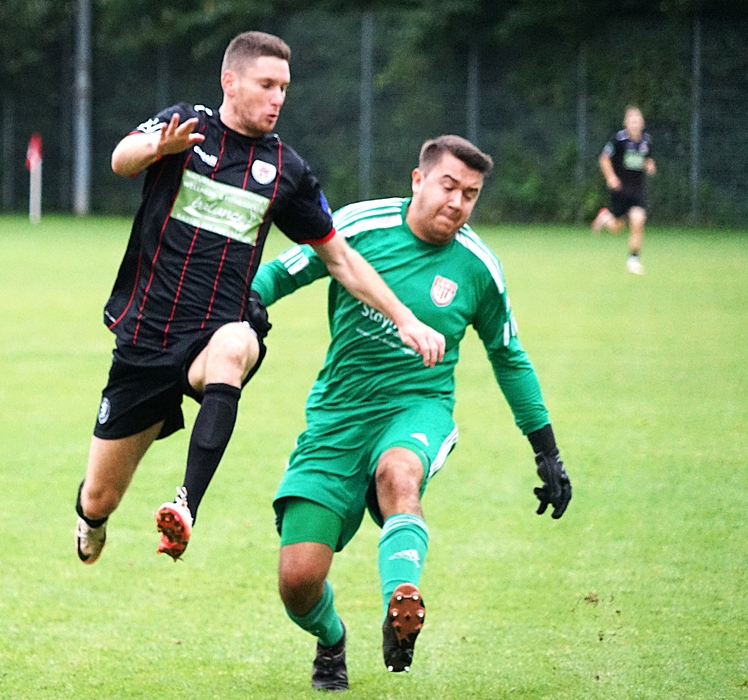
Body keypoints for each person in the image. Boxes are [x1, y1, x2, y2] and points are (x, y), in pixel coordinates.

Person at [74, 31, 445, 566]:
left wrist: (405, 318)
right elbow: (120, 159)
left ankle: (186, 505)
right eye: (266, 85)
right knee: (100, 496)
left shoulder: (286, 171)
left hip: (213, 335)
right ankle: (91, 521)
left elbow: (339, 258)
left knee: (235, 344)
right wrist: (159, 147)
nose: (278, 98)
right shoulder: (187, 126)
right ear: (230, 81)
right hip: (146, 337)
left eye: (284, 88)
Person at [251, 135, 573, 690]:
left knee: (398, 474)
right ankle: (332, 638)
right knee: (298, 582)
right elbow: (279, 273)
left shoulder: (477, 267)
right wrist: (243, 311)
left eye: (470, 194)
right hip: (338, 415)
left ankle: (400, 604)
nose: (458, 203)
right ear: (418, 180)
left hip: (418, 408)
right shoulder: (358, 226)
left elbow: (509, 356)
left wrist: (546, 449)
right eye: (449, 186)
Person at [590, 106, 657, 275]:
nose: (635, 124)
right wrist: (611, 177)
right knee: (617, 228)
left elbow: (647, 160)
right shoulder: (619, 140)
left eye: (637, 121)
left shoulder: (646, 141)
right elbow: (604, 158)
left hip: (637, 191)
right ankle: (605, 216)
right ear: (626, 123)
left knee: (638, 221)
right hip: (620, 190)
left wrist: (649, 166)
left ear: (642, 123)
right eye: (632, 121)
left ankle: (633, 259)